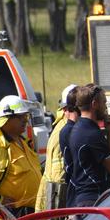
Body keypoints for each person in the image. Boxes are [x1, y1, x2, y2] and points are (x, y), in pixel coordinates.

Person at [66, 83, 110, 208]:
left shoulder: (78, 128)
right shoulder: (92, 134)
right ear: (94, 104)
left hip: (85, 199)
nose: (105, 107)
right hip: (94, 200)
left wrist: (109, 132)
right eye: (104, 102)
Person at [34, 84, 77, 212]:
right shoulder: (67, 129)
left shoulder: (60, 125)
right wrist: (59, 199)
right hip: (58, 193)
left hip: (51, 192)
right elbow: (58, 174)